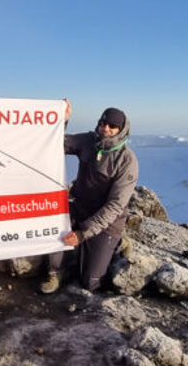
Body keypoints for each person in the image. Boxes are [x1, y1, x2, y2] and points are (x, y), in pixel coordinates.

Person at [41, 103, 139, 294]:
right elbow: (57, 144)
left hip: (108, 223)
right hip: (78, 208)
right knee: (54, 231)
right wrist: (64, 120)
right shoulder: (88, 141)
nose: (106, 129)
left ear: (121, 130)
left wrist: (82, 234)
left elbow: (115, 206)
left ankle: (118, 243)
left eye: (112, 126)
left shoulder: (127, 161)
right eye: (103, 123)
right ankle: (56, 273)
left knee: (90, 282)